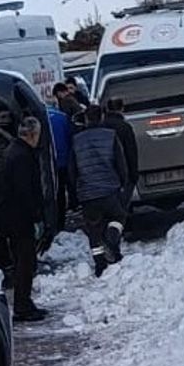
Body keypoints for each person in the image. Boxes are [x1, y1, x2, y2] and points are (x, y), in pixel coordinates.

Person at [70, 105, 129, 276]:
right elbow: (120, 163)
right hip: (109, 189)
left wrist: (75, 192)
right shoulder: (110, 136)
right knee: (119, 216)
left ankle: (100, 264)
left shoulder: (76, 140)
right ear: (102, 117)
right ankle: (112, 237)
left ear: (86, 119)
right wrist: (122, 182)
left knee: (93, 229)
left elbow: (72, 170)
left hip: (87, 193)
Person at [0, 117, 48, 322]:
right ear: (33, 135)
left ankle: (25, 302)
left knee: (23, 261)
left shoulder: (13, 151)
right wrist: (36, 216)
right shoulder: (22, 157)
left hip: (13, 217)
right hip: (20, 219)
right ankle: (22, 305)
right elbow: (25, 190)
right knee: (25, 263)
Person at [102, 97, 139, 205]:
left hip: (106, 172)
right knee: (122, 204)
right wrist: (134, 174)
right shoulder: (125, 127)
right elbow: (131, 151)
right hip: (123, 172)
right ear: (122, 109)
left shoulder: (102, 126)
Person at [47, 85, 76, 213]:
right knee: (67, 183)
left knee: (57, 189)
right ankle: (72, 204)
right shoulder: (62, 117)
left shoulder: (42, 118)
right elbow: (70, 137)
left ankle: (59, 211)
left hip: (50, 160)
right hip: (64, 158)